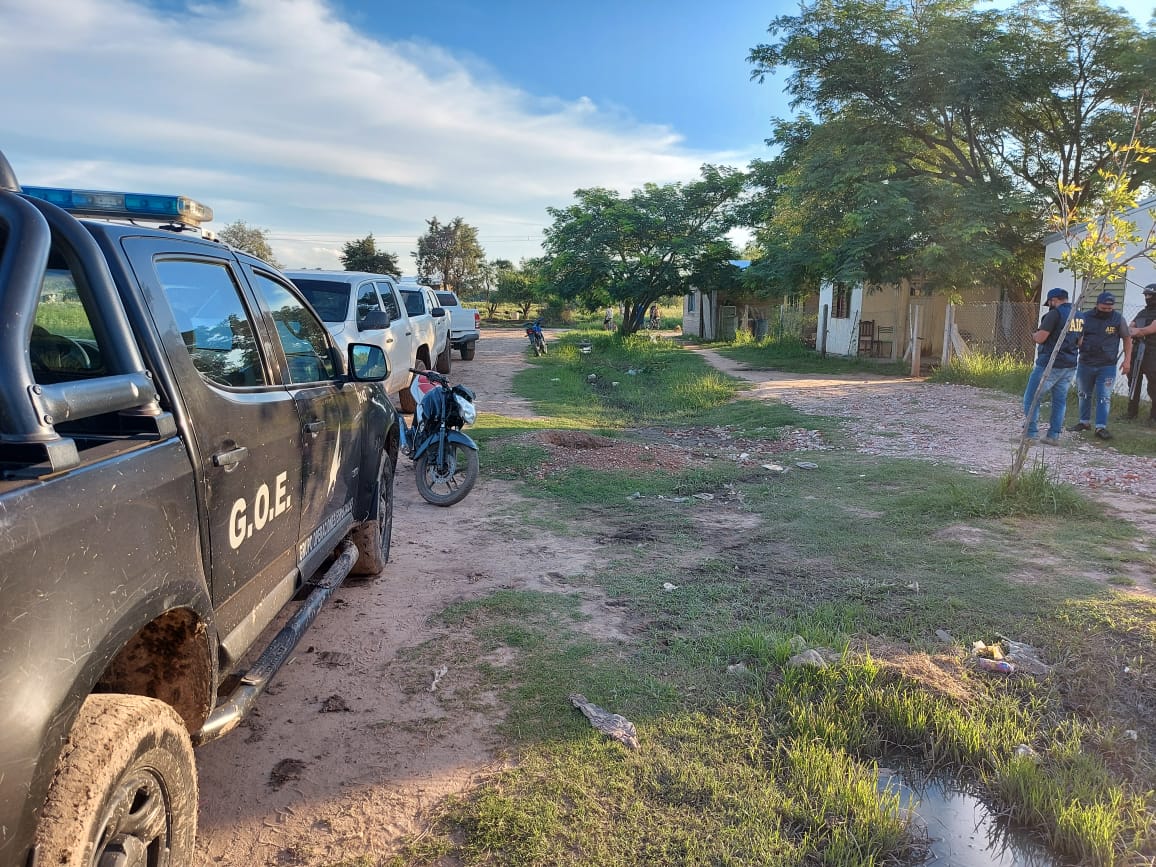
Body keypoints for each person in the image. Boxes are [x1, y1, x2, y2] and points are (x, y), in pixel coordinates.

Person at [1071, 290, 1131, 440]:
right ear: (1097, 304)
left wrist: (1127, 360)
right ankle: (1084, 422)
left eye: (1110, 308)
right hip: (1086, 362)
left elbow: (1127, 339)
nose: (1107, 310)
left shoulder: (1118, 319)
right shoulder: (1085, 317)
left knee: (1104, 397)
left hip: (1107, 365)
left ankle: (1100, 427)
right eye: (1104, 308)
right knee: (1083, 394)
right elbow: (1076, 337)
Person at [1022, 287, 1079, 444]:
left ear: (1053, 300)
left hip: (1050, 364)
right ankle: (1053, 435)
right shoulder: (1079, 314)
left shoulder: (1054, 314)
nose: (1050, 306)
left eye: (1050, 303)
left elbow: (1041, 338)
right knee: (1059, 400)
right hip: (1069, 365)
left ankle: (1031, 433)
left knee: (1031, 397)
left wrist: (1034, 335)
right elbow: (1080, 341)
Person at [1126, 283, 1156, 423]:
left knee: (1153, 385)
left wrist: (1138, 331)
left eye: (1150, 295)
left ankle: (1154, 416)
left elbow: (1149, 330)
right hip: (1137, 351)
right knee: (1133, 382)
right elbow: (1129, 328)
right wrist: (1136, 332)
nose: (1147, 297)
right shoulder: (1142, 312)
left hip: (1153, 353)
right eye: (1146, 295)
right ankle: (1131, 413)